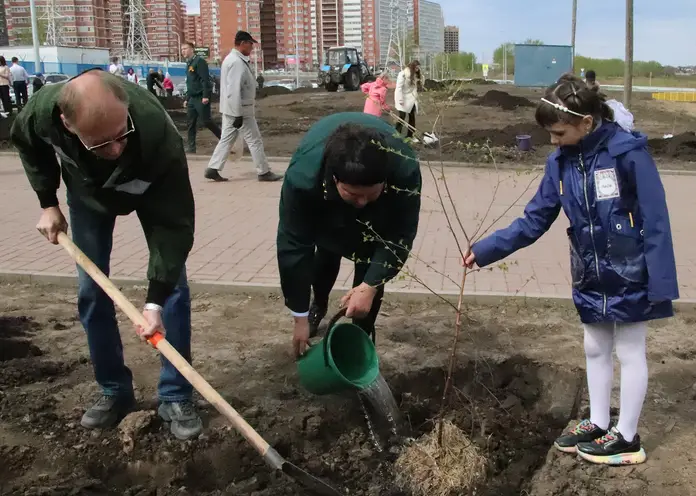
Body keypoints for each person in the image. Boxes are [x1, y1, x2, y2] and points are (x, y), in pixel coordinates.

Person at [463, 74, 679, 465]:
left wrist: (661, 281)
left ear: (587, 122)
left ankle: (628, 436)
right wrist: (486, 250)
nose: (553, 140)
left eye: (559, 132)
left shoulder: (627, 153)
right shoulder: (558, 164)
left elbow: (656, 218)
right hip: (589, 274)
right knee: (594, 347)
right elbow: (535, 219)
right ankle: (598, 422)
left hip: (631, 272)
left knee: (630, 350)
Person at [10, 69, 203, 441]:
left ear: (126, 109)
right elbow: (27, 143)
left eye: (120, 136)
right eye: (100, 143)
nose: (115, 149)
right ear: (67, 124)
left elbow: (174, 225)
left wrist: (154, 301)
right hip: (87, 196)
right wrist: (47, 202)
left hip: (151, 188)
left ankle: (176, 394)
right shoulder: (43, 112)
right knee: (91, 291)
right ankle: (114, 390)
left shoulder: (155, 135)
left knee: (172, 288)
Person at [277, 112, 422, 357]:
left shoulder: (403, 170)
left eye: (370, 193)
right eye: (353, 194)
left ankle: (361, 338)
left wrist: (371, 285)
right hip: (324, 204)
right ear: (335, 180)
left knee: (370, 270)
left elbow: (400, 234)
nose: (362, 202)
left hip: (380, 216)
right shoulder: (303, 178)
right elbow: (293, 246)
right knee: (326, 252)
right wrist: (298, 317)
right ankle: (318, 305)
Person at [205, 31, 282, 182]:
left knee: (226, 139)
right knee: (255, 140)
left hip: (232, 108)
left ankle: (213, 168)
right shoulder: (236, 62)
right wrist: (238, 114)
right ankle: (263, 171)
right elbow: (234, 90)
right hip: (241, 109)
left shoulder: (233, 59)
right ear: (242, 43)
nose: (252, 47)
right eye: (250, 43)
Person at [181, 41, 221, 154]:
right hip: (192, 99)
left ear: (192, 49)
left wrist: (206, 96)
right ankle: (191, 148)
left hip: (200, 97)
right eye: (182, 49)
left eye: (185, 48)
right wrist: (186, 98)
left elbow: (205, 80)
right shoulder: (188, 64)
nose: (183, 51)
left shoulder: (200, 62)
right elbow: (190, 83)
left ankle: (224, 140)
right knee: (190, 123)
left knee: (206, 121)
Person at [394, 60, 421, 141]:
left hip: (412, 99)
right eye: (416, 67)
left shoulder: (415, 75)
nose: (418, 69)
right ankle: (396, 134)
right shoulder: (403, 74)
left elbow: (417, 86)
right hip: (403, 98)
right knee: (402, 117)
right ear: (412, 67)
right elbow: (398, 88)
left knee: (412, 117)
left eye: (419, 68)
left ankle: (410, 136)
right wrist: (400, 99)